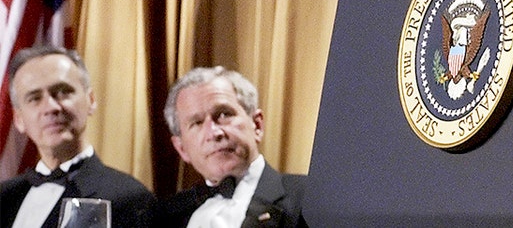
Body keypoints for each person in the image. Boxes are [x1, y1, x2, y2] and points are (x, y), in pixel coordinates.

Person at [1, 46, 155, 228]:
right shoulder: (4, 196)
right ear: (18, 119)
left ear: (91, 100)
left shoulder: (130, 198)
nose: (51, 107)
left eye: (62, 92)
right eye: (34, 98)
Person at [156, 66, 305, 228]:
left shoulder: (309, 197)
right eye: (197, 123)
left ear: (257, 125)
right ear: (181, 148)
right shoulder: (163, 216)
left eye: (223, 114)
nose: (213, 132)